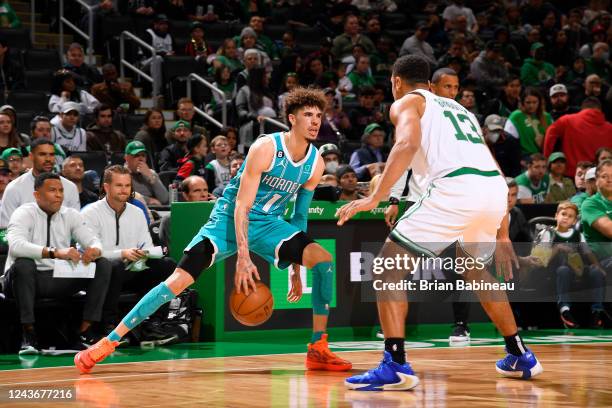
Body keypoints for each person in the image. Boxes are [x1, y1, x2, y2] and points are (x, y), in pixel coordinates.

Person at [75, 87, 352, 374]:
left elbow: (300, 215)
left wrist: (296, 266)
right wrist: (243, 258)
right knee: (176, 282)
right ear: (292, 119)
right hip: (228, 218)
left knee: (323, 260)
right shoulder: (266, 148)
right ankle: (108, 342)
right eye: (308, 115)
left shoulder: (315, 163)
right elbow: (241, 208)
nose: (315, 121)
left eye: (319, 115)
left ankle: (318, 347)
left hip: (270, 223)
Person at [338, 55, 542, 391]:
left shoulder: (406, 102)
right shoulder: (460, 110)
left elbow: (407, 143)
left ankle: (395, 364)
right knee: (475, 268)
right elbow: (492, 167)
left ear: (395, 81)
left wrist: (375, 197)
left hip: (455, 190)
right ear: (431, 82)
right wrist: (502, 232)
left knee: (387, 269)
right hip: (492, 191)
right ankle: (519, 353)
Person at [3, 172, 111, 354]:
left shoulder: (70, 215)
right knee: (24, 264)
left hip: (56, 277)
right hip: (21, 280)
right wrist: (55, 252)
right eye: (52, 190)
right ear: (37, 194)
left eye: (61, 190)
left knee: (103, 264)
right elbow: (16, 246)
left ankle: (85, 331)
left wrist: (94, 249)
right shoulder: (23, 213)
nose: (59, 194)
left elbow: (93, 239)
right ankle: (28, 334)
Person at [82, 165, 176, 336]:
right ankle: (108, 325)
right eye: (119, 185)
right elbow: (89, 252)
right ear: (106, 187)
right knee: (115, 266)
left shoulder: (137, 212)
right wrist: (122, 254)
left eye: (127, 185)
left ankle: (154, 321)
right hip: (100, 273)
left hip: (132, 269)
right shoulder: (90, 212)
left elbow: (146, 245)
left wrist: (146, 253)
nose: (124, 190)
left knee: (167, 265)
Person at [534, 201, 606, 329]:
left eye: (570, 216)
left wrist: (597, 266)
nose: (566, 217)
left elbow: (588, 252)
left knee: (595, 272)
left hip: (576, 268)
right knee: (563, 270)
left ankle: (597, 311)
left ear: (574, 221)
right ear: (556, 216)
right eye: (563, 214)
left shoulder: (578, 235)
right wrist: (557, 248)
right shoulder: (548, 233)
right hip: (555, 270)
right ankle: (565, 310)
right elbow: (541, 261)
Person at [0, 139, 80, 228]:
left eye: (52, 154)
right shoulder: (14, 188)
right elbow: (6, 228)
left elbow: (75, 226)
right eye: (42, 154)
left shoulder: (70, 187)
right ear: (31, 156)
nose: (48, 159)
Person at [543, 97, 612, 177]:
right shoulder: (610, 128)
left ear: (582, 109)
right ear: (600, 110)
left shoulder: (567, 121)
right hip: (600, 176)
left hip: (571, 174)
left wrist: (547, 159)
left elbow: (550, 134)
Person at [580, 160, 612, 317]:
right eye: (605, 176)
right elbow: (610, 230)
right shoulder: (590, 204)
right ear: (596, 181)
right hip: (602, 260)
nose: (610, 180)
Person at [159, 175, 215, 250]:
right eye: (197, 191)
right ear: (185, 195)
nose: (203, 195)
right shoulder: (171, 219)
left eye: (205, 190)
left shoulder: (216, 216)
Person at [504, 87, 552, 156]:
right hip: (524, 157)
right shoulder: (516, 116)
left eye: (534, 102)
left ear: (540, 102)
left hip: (545, 156)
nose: (531, 105)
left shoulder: (546, 116)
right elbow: (509, 141)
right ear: (523, 102)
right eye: (528, 102)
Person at [124, 141, 169, 206]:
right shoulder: (121, 174)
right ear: (126, 158)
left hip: (154, 210)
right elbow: (124, 196)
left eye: (143, 155)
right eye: (136, 155)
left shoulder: (151, 173)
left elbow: (164, 198)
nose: (141, 159)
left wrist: (151, 177)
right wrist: (148, 200)